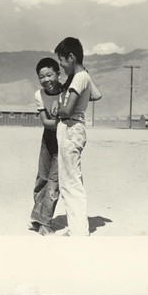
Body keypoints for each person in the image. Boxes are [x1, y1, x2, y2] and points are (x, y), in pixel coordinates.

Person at [51, 37, 102, 236]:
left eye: (62, 61)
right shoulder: (83, 77)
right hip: (76, 128)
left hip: (70, 128)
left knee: (70, 182)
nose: (61, 66)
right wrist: (81, 79)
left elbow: (68, 110)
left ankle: (79, 231)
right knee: (71, 179)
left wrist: (57, 109)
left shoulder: (79, 78)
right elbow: (97, 95)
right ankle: (76, 227)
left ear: (71, 58)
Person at [29, 58, 63, 236]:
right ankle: (37, 217)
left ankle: (45, 221)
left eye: (49, 74)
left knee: (54, 181)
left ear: (58, 73)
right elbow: (45, 122)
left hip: (64, 140)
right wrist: (59, 121)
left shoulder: (68, 92)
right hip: (48, 138)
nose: (46, 80)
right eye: (41, 77)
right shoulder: (39, 95)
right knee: (42, 177)